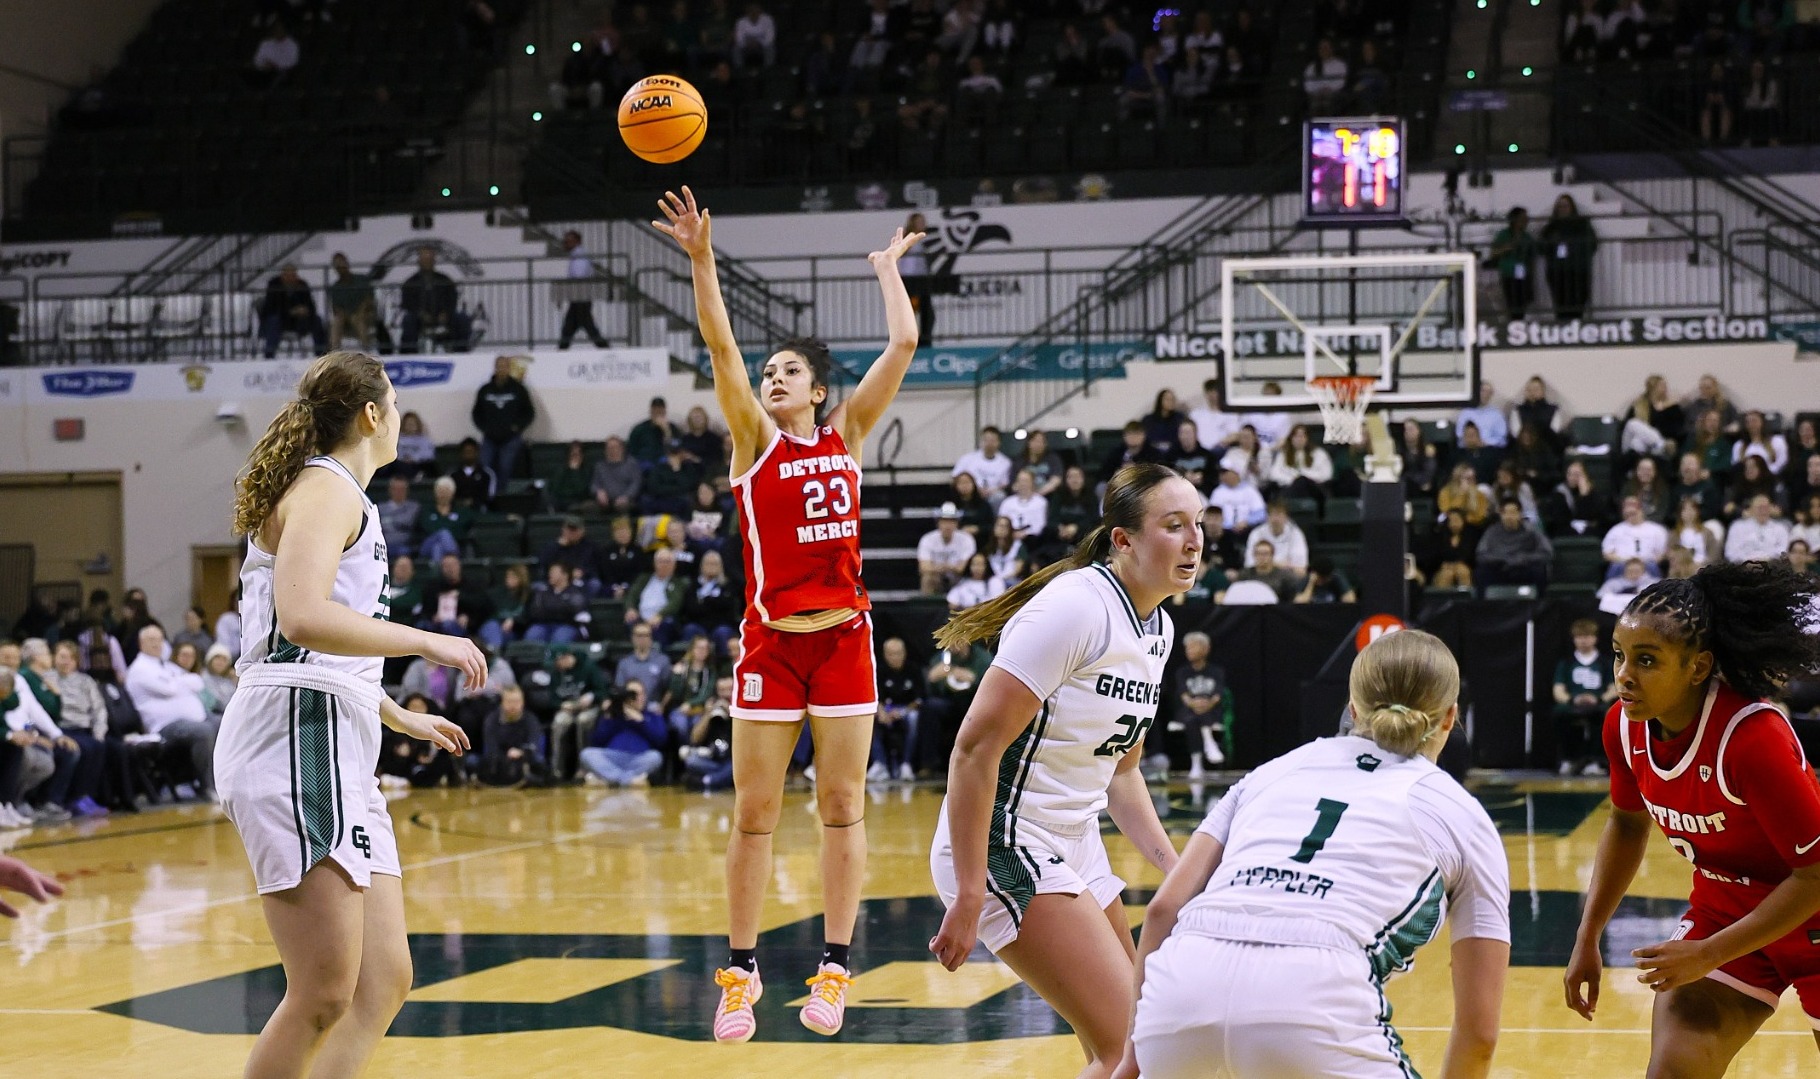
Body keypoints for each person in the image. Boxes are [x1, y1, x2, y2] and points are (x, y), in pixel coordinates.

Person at [656, 186, 922, 1041]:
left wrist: (886, 271)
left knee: (842, 806)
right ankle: (740, 973)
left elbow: (906, 339)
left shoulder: (845, 435)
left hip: (845, 642)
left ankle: (835, 968)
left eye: (789, 371)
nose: (772, 377)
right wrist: (702, 259)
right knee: (755, 814)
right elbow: (720, 346)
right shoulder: (753, 440)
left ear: (818, 390)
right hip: (771, 647)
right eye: (770, 372)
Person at [215, 350, 484, 1079]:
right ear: (372, 414)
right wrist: (426, 638)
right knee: (325, 989)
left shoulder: (338, 494)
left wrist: (393, 712)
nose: (397, 416)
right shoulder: (327, 489)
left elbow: (311, 642)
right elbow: (302, 619)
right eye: (393, 403)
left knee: (382, 979)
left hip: (335, 728)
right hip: (295, 736)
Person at [1122, 629, 1510, 1079]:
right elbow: (1479, 1034)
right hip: (1313, 998)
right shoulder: (1461, 813)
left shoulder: (1269, 772)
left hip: (1177, 994)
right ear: (1450, 718)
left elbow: (1164, 909)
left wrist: (1135, 1053)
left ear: (1352, 709)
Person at [929, 463, 1200, 1079]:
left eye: (1199, 525)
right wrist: (971, 892)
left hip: (1074, 844)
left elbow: (1123, 774)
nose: (1193, 541)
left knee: (1129, 1049)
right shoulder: (1077, 609)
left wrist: (1175, 870)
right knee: (1130, 1051)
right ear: (1123, 540)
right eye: (1174, 525)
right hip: (1005, 841)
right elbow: (972, 751)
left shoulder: (1158, 627)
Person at [1563, 563, 1820, 1074]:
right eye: (1619, 656)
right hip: (1726, 913)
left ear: (1698, 667)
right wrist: (1587, 935)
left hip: (1811, 912)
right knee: (1674, 1070)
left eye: (1647, 660)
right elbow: (1628, 823)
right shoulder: (1624, 726)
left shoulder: (1751, 738)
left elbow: (1815, 876)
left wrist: (1707, 955)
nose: (1624, 675)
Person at [471, 355, 535, 485]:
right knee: (484, 467)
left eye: (504, 366)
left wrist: (517, 427)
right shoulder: (485, 390)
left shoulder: (519, 389)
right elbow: (476, 413)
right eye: (499, 366)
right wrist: (485, 428)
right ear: (495, 368)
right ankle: (487, 497)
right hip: (489, 438)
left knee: (505, 467)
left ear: (509, 369)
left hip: (511, 438)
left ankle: (501, 496)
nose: (501, 369)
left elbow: (529, 412)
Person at [1171, 631, 1227, 777]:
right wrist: (1194, 704)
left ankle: (1196, 765)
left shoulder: (1216, 671)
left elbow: (1217, 696)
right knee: (1191, 718)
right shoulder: (1182, 672)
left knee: (1197, 718)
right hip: (1189, 710)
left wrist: (1205, 705)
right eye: (1186, 648)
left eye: (1192, 647)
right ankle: (1209, 742)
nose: (1188, 651)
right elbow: (1184, 695)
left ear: (1205, 649)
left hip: (1211, 710)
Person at [399, 247, 472, 353]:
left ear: (434, 261)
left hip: (443, 318)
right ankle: (409, 354)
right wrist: (421, 314)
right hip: (420, 319)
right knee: (408, 320)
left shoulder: (444, 279)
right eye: (424, 260)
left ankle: (461, 352)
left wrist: (446, 312)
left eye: (429, 260)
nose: (427, 263)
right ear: (419, 262)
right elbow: (407, 303)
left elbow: (452, 298)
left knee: (462, 319)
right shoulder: (410, 282)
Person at [1476, 497, 1554, 593]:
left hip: (1524, 567)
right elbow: (1481, 554)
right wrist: (1503, 559)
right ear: (1500, 514)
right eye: (1505, 513)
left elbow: (1546, 553)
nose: (1509, 517)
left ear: (1520, 514)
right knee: (1482, 572)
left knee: (1539, 571)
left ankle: (1540, 606)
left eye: (1513, 513)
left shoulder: (1532, 530)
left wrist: (1523, 558)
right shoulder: (1491, 532)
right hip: (1500, 568)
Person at [1541, 194, 1599, 320]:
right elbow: (1541, 247)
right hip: (1557, 273)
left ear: (1572, 207)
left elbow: (1592, 244)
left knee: (1578, 306)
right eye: (1560, 206)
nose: (1563, 209)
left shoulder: (1582, 224)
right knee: (1560, 307)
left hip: (1578, 271)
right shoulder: (1551, 227)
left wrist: (1576, 250)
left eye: (1566, 206)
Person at [259, 264, 328, 359]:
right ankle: (269, 354)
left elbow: (311, 306)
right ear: (282, 275)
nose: (291, 278)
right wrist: (290, 311)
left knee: (317, 320)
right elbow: (270, 307)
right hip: (280, 320)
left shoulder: (302, 285)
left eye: (293, 275)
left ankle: (321, 354)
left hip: (298, 321)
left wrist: (305, 310)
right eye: (288, 275)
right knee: (274, 321)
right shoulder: (274, 285)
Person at [556, 230, 610, 349]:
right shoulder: (576, 256)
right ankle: (603, 348)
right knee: (572, 327)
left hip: (581, 297)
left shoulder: (579, 257)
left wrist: (563, 294)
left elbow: (578, 278)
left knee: (582, 325)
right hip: (578, 297)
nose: (565, 243)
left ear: (577, 241)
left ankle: (604, 348)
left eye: (569, 241)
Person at [1490, 206, 1538, 321]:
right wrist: (1506, 248)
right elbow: (1493, 253)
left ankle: (1519, 322)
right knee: (1511, 302)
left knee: (1522, 303)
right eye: (1522, 218)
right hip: (1508, 274)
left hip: (1523, 275)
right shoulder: (1504, 235)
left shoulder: (1527, 237)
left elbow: (1532, 255)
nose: (1525, 221)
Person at [918, 502, 977, 594]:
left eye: (951, 521)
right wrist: (944, 568)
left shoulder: (966, 539)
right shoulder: (928, 539)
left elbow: (962, 568)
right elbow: (924, 567)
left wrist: (947, 567)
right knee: (928, 578)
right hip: (937, 577)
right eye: (944, 521)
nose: (948, 525)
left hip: (960, 579)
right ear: (938, 523)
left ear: (957, 523)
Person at [953, 426, 1013, 505]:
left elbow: (1004, 484)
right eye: (986, 440)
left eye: (993, 440)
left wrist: (990, 491)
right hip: (972, 493)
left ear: (999, 442)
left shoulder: (1005, 462)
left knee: (999, 497)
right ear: (981, 441)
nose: (989, 444)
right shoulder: (967, 458)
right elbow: (955, 477)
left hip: (993, 494)